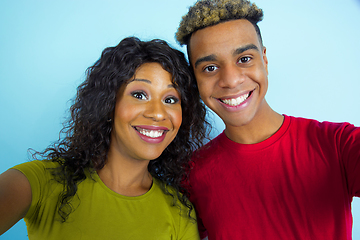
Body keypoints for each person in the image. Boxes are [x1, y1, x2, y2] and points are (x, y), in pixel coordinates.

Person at [175, 0, 360, 239]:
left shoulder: (337, 144)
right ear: (195, 80)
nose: (230, 80)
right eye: (210, 68)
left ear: (265, 60)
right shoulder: (192, 174)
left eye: (244, 59)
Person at [0, 36, 208, 239]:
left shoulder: (179, 214)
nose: (158, 113)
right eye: (139, 95)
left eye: (170, 99)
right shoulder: (40, 183)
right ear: (109, 105)